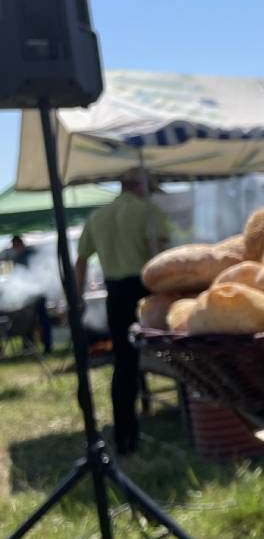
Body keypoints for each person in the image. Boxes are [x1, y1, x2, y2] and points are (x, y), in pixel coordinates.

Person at [74, 174, 169, 455]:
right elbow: (160, 257)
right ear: (140, 184)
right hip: (144, 290)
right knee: (176, 353)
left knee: (124, 364)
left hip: (115, 295)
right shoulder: (148, 211)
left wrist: (76, 298)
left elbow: (80, 262)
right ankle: (192, 417)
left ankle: (125, 436)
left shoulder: (98, 216)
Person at [7, 235, 53, 354]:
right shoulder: (19, 257)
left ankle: (45, 345)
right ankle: (31, 345)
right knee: (31, 320)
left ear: (20, 244)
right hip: (29, 294)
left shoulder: (28, 255)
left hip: (37, 293)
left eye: (15, 246)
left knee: (41, 320)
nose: (14, 248)